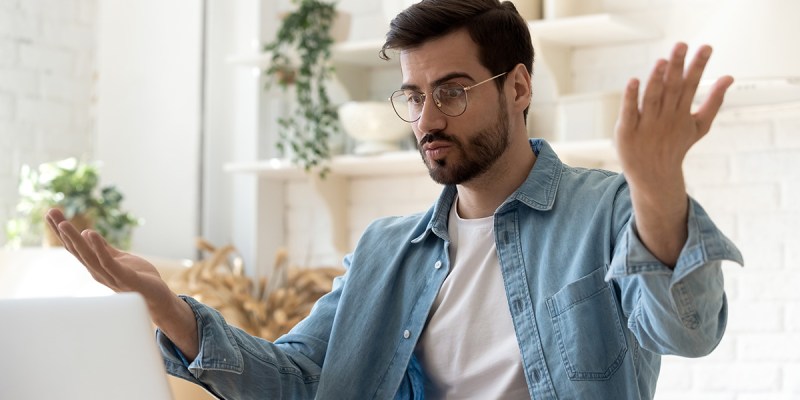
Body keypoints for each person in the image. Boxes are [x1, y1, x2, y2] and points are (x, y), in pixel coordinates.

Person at [47, 0, 743, 398]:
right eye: (413, 96)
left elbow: (689, 333)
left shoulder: (608, 211)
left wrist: (658, 186)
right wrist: (167, 308)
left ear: (518, 87)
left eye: (453, 92)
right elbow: (298, 381)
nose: (427, 119)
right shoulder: (385, 251)